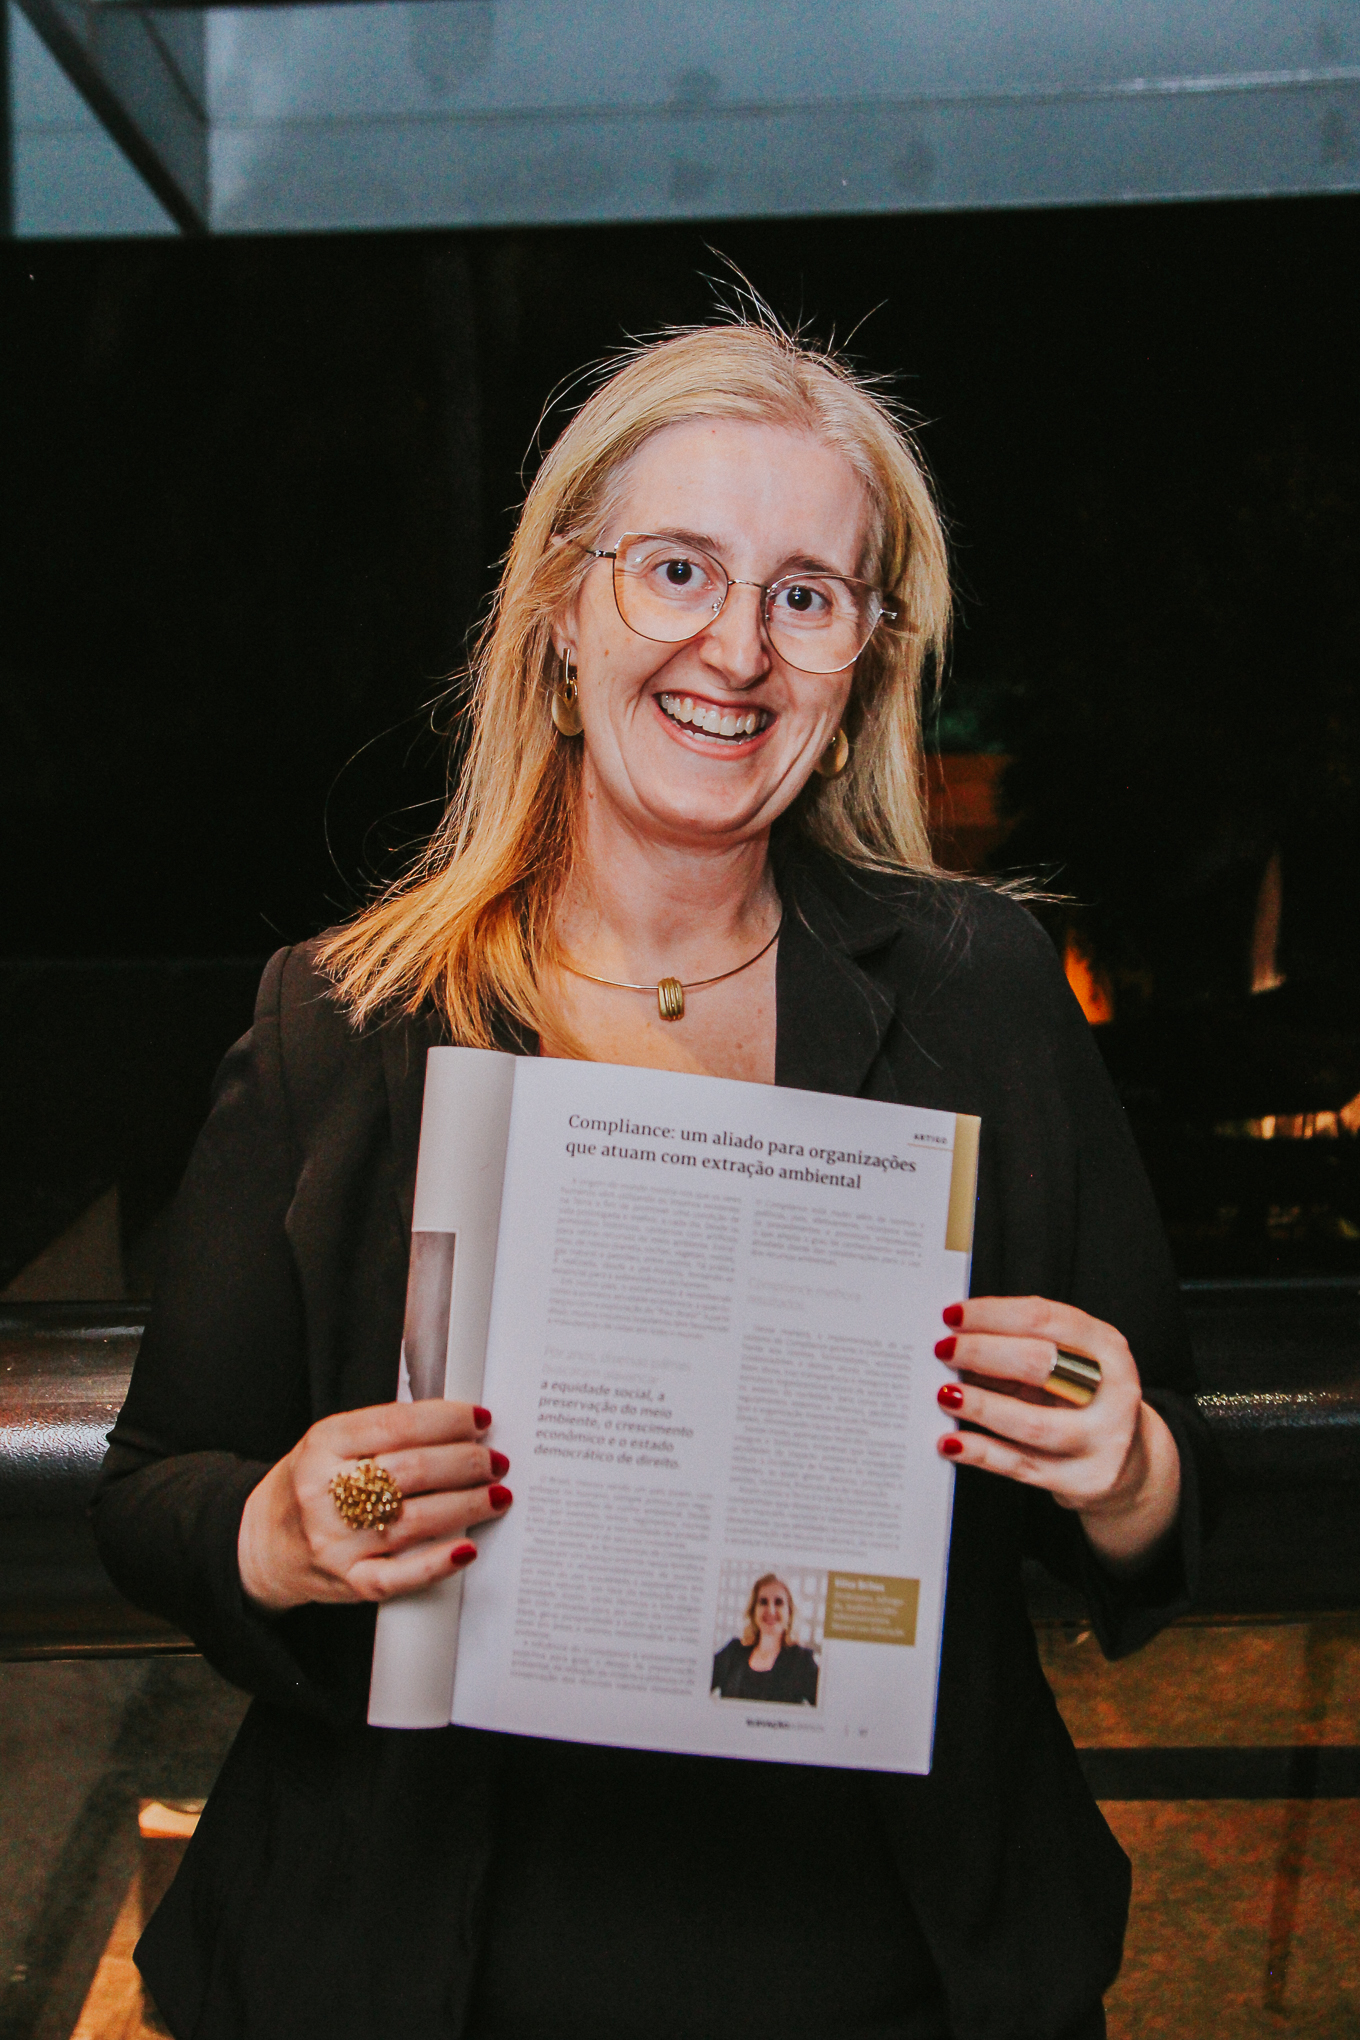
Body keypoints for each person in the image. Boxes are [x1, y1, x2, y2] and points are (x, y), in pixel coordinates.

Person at [92, 311, 1207, 2040]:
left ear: (861, 664)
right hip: (427, 1967)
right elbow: (154, 1487)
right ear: (561, 608)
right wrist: (284, 1528)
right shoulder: (346, 1022)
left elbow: (1161, 1470)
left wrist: (1123, 1466)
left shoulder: (982, 992)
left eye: (805, 595)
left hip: (899, 1968)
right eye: (677, 569)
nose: (734, 650)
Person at [712, 1573, 820, 1704]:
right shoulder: (733, 1651)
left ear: (790, 1611)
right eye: (763, 1602)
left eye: (779, 1602)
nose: (771, 1611)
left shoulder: (802, 1661)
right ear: (753, 1610)